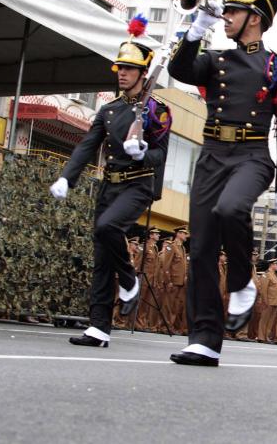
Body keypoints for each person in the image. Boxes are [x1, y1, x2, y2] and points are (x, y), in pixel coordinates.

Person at [167, 0, 277, 367]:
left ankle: (243, 282)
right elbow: (181, 70)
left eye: (232, 12)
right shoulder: (215, 60)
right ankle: (205, 338)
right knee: (202, 248)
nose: (225, 18)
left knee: (231, 209)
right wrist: (196, 30)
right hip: (211, 155)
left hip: (252, 156)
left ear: (255, 18)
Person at [52, 23, 171, 348]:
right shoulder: (109, 110)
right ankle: (99, 327)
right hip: (110, 187)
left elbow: (161, 155)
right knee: (102, 257)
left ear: (143, 73)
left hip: (137, 185)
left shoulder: (155, 110)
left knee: (108, 228)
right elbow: (87, 146)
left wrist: (143, 152)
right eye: (120, 68)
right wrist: (67, 176)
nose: (122, 73)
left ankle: (130, 279)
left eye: (130, 69)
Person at [257, 257, 277, 343]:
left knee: (270, 320)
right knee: (264, 319)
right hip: (268, 301)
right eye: (276, 264)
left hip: (275, 301)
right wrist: (265, 301)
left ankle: (266, 336)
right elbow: (263, 289)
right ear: (271, 265)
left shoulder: (274, 275)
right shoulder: (266, 274)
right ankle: (261, 336)